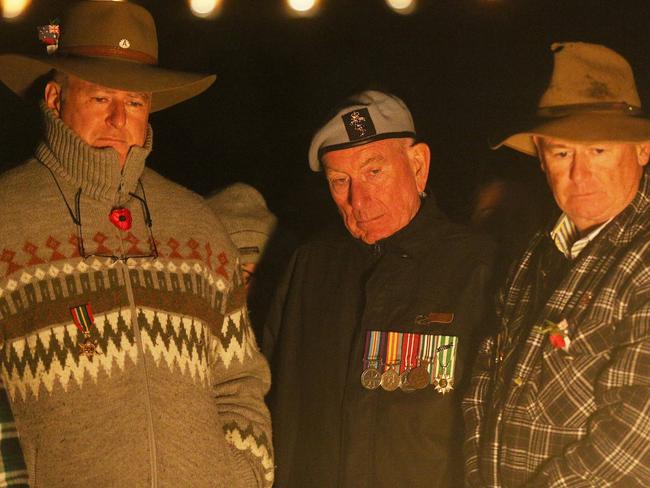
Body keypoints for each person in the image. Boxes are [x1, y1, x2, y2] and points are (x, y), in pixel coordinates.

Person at [0, 2, 273, 486]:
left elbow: (239, 383)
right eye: (101, 98)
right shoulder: (7, 217)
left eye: (135, 102)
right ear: (54, 98)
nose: (118, 119)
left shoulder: (199, 226)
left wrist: (242, 474)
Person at [263, 90, 495, 488]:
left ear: (418, 165)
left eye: (374, 172)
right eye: (340, 181)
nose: (359, 199)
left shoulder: (479, 267)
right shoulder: (311, 266)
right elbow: (268, 396)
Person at [463, 41, 650, 487]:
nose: (579, 175)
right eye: (563, 153)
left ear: (643, 150)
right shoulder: (534, 255)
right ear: (542, 160)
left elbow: (636, 438)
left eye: (599, 151)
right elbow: (481, 392)